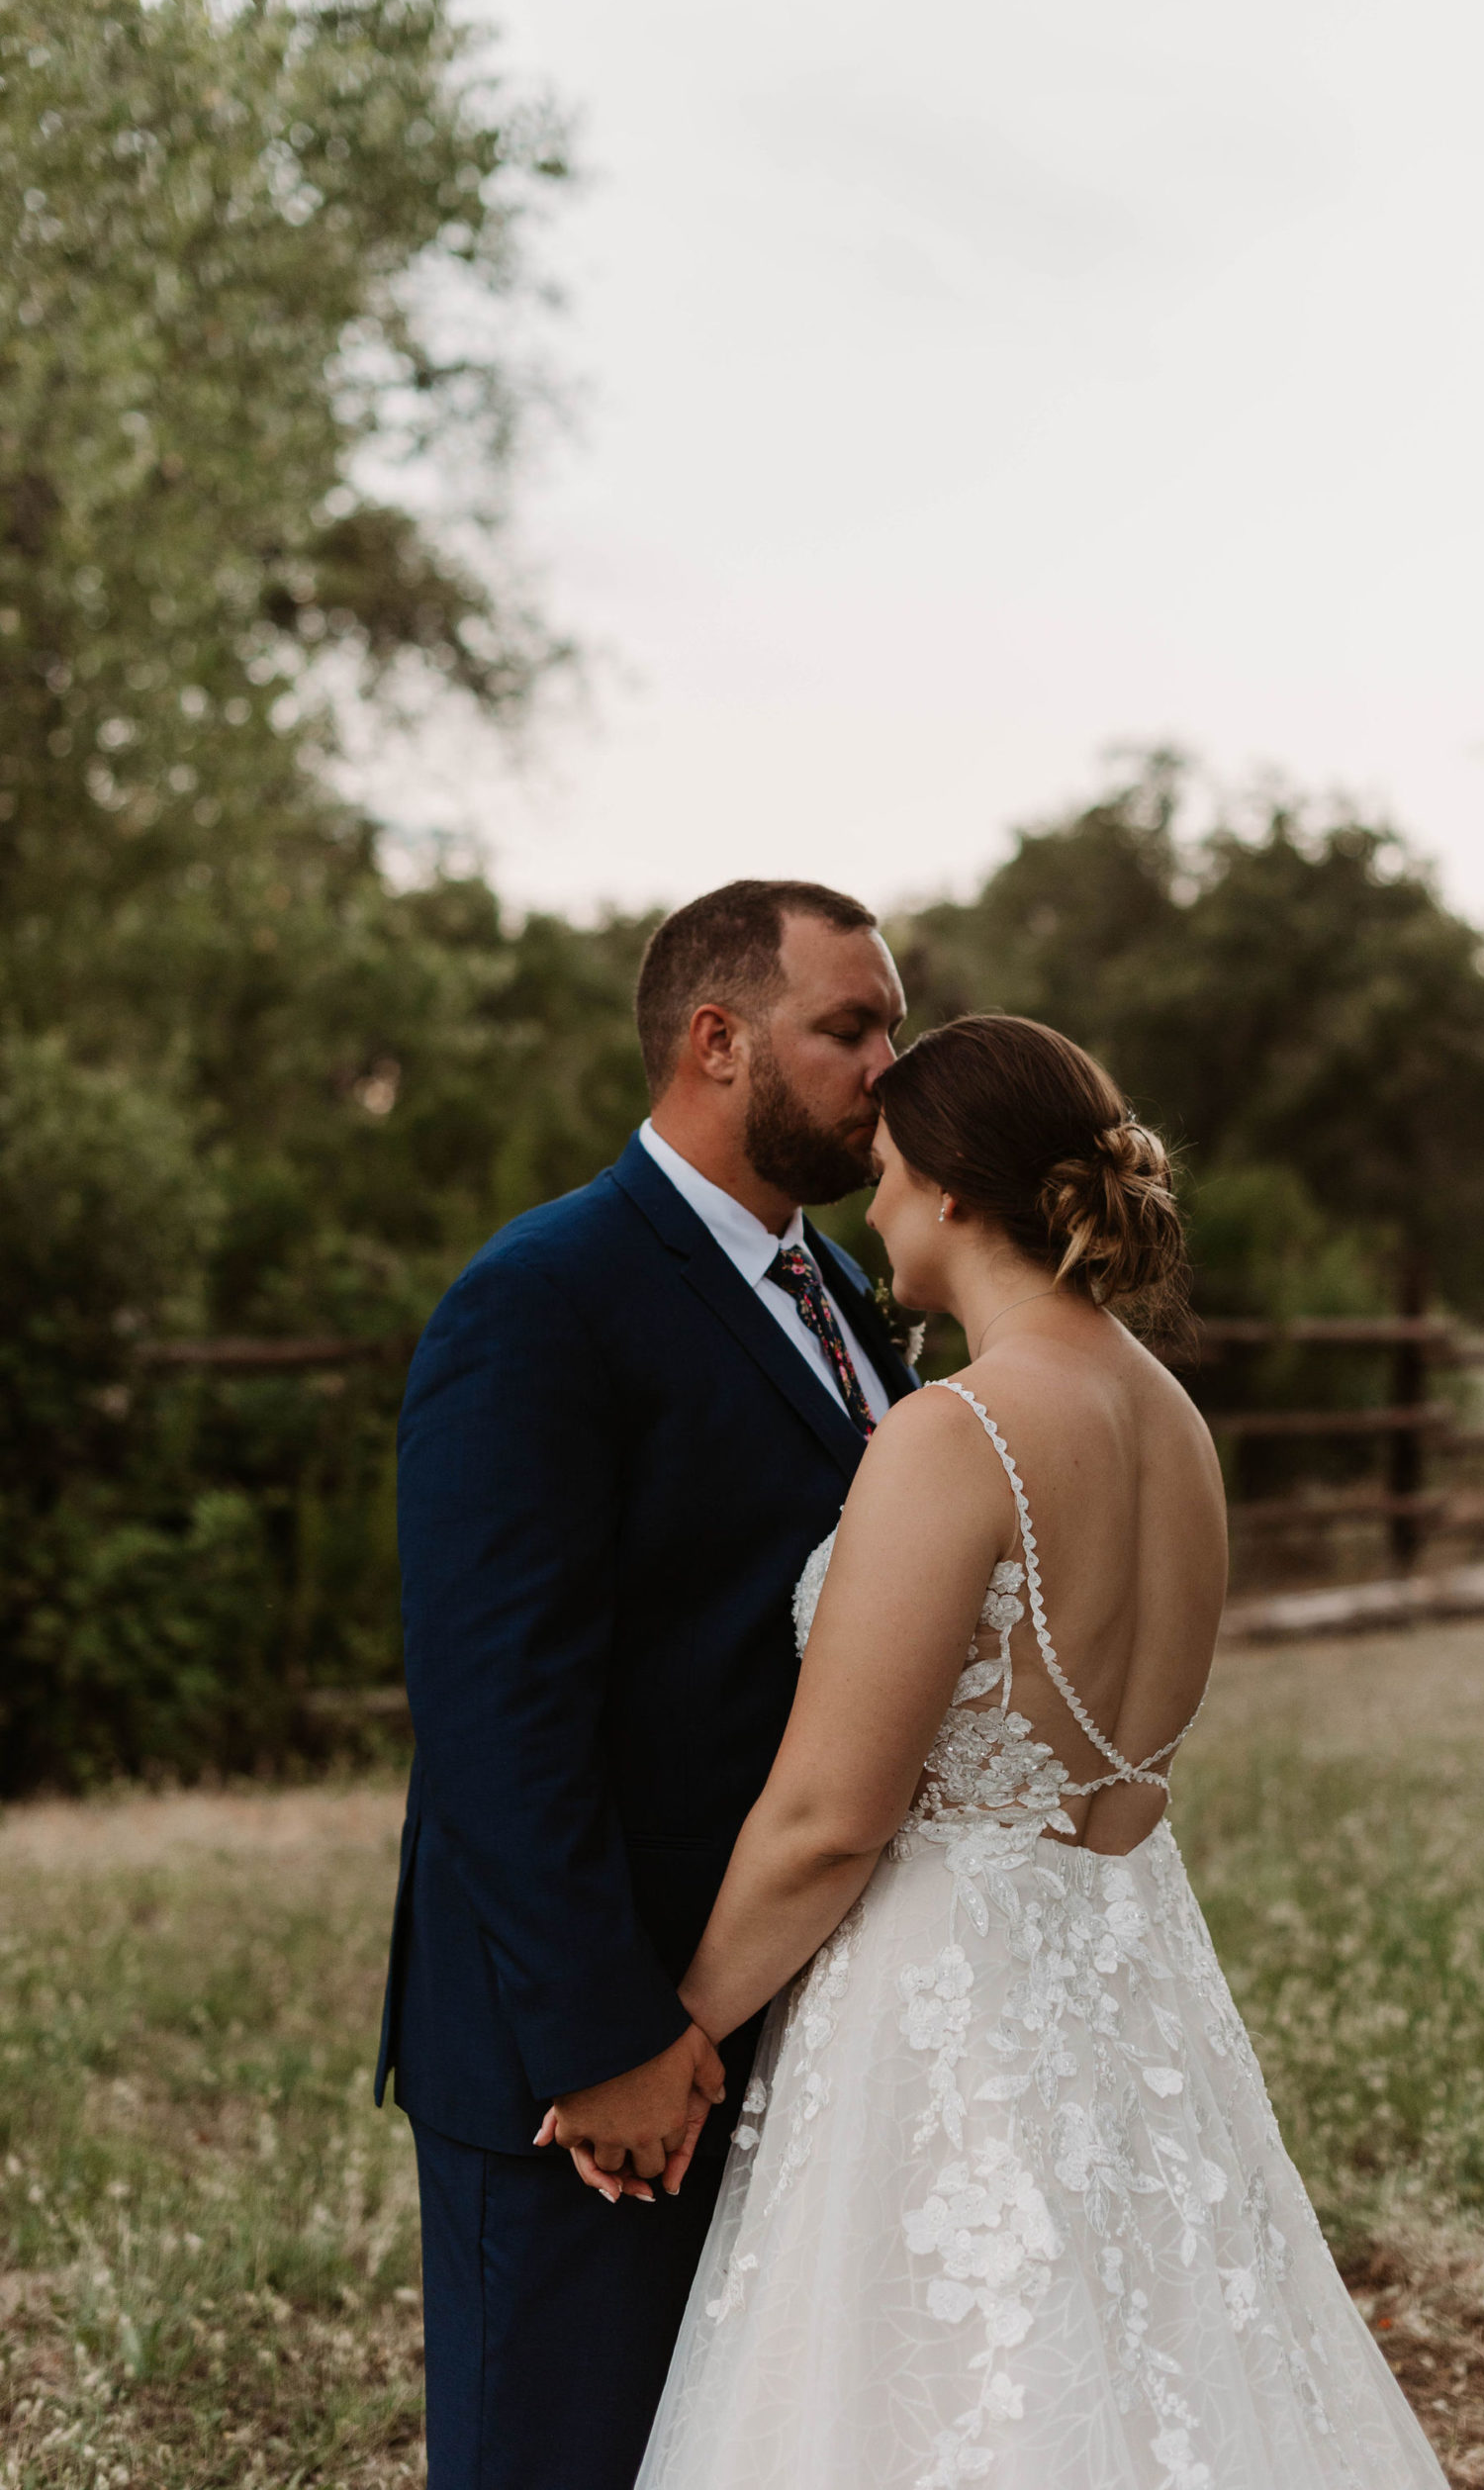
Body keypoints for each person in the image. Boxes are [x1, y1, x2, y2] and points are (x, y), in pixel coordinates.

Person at [564, 1012, 1449, 2489]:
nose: (876, 1208)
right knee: (1148, 2366)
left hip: (946, 2001)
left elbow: (828, 1817)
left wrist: (680, 2033)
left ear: (956, 1191)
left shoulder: (948, 1433)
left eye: (890, 1172)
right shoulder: (1174, 1424)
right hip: (1130, 1979)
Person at [374, 879, 919, 2490]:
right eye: (850, 1028)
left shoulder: (856, 1306)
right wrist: (605, 2035)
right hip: (585, 2047)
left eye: (890, 1025)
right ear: (716, 1040)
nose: (889, 1064)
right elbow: (495, 1705)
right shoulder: (541, 1295)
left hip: (779, 2014)